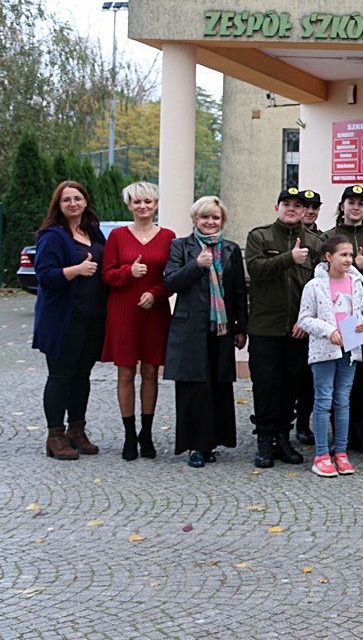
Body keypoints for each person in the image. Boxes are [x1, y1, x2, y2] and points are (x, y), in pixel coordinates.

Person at [163, 196, 247, 468]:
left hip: (221, 328)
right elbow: (170, 282)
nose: (210, 222)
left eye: (215, 217)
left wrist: (241, 328)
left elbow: (238, 291)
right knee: (194, 387)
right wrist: (196, 265)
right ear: (195, 219)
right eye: (205, 217)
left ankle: (211, 442)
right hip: (191, 328)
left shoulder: (231, 249)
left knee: (218, 386)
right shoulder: (180, 246)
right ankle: (194, 446)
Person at [245, 187, 322, 468]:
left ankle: (283, 438)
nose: (292, 209)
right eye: (286, 204)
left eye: (297, 205)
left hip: (298, 329)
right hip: (266, 326)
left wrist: (307, 320)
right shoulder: (260, 236)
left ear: (305, 211)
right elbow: (255, 269)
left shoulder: (316, 242)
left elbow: (321, 287)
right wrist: (289, 258)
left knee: (292, 386)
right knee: (266, 386)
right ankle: (265, 441)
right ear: (277, 207)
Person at [34, 181, 108, 460]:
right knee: (61, 376)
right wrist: (76, 270)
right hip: (64, 320)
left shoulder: (93, 232)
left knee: (82, 375)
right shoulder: (52, 235)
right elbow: (45, 276)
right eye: (67, 200)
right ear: (58, 205)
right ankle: (55, 436)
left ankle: (77, 431)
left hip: (93, 317)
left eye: (78, 198)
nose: (73, 203)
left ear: (86, 201)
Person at [101, 181, 175, 460]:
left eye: (148, 201)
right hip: (123, 311)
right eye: (137, 201)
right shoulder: (117, 236)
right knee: (125, 372)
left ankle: (147, 432)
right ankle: (129, 434)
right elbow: (106, 274)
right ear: (129, 205)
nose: (143, 206)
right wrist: (128, 273)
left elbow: (172, 278)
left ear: (156, 205)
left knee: (151, 371)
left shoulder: (168, 236)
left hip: (154, 311)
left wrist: (155, 294)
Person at [322, 184, 363, 456]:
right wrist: (352, 266)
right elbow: (319, 275)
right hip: (336, 321)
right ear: (342, 206)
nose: (356, 207)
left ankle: (359, 432)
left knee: (361, 381)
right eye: (351, 202)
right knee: (335, 379)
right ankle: (339, 434)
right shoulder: (327, 237)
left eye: (361, 203)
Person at [296, 235, 363, 477]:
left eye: (350, 255)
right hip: (325, 351)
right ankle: (321, 455)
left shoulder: (356, 283)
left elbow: (356, 312)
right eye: (343, 255)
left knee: (343, 401)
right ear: (328, 257)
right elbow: (305, 319)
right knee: (323, 400)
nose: (348, 259)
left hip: (350, 349)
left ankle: (341, 452)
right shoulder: (315, 286)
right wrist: (329, 332)